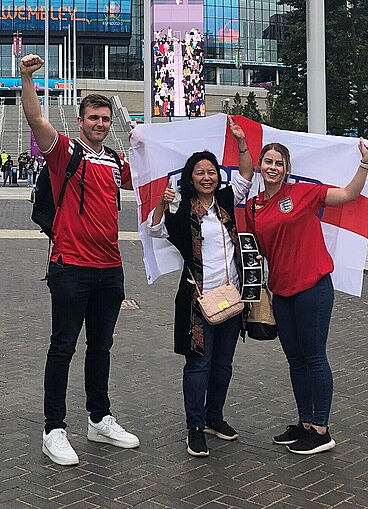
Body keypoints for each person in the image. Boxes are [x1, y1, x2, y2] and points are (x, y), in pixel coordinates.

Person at [20, 54, 139, 466]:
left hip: (110, 269)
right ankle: (53, 428)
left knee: (101, 346)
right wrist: (26, 77)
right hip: (71, 266)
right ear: (80, 120)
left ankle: (99, 418)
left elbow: (151, 180)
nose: (101, 124)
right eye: (94, 118)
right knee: (63, 347)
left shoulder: (116, 161)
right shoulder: (64, 151)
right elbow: (36, 120)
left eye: (106, 118)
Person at [249, 139, 368, 455]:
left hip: (312, 287)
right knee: (295, 360)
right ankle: (305, 424)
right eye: (268, 162)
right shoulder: (255, 206)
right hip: (282, 291)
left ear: (287, 169)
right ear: (260, 166)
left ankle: (321, 429)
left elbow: (348, 195)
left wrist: (364, 164)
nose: (273, 167)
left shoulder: (304, 193)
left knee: (314, 357)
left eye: (279, 163)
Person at [147, 117, 253, 458]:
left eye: (211, 172)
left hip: (231, 297)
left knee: (223, 364)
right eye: (199, 173)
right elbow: (154, 229)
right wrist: (163, 202)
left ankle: (214, 417)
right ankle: (195, 427)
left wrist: (241, 144)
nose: (207, 177)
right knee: (198, 365)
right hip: (198, 301)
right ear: (190, 179)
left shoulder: (225, 201)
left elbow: (248, 175)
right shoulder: (181, 209)